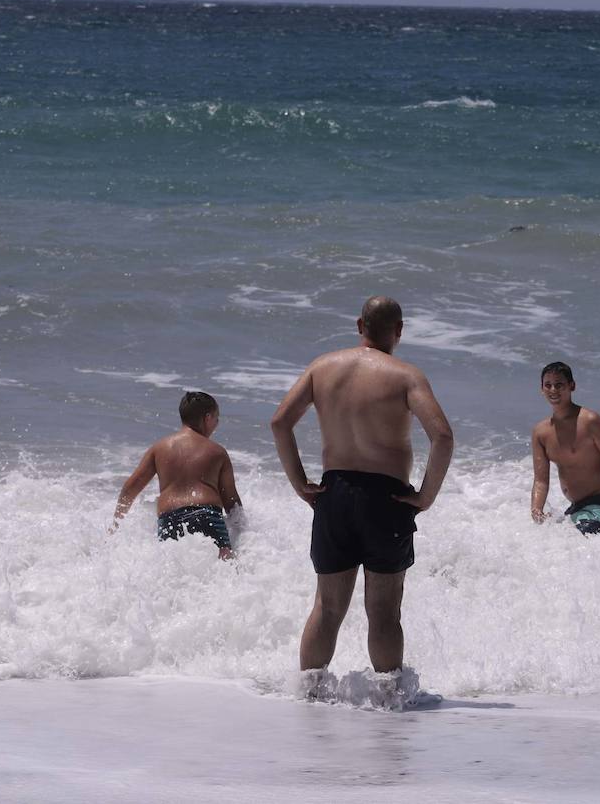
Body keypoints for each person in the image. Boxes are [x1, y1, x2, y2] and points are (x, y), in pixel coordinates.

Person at [271, 296, 454, 694]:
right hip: (385, 501)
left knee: (328, 607)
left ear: (359, 324)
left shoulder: (322, 367)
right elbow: (441, 436)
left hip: (333, 495)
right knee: (384, 611)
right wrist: (426, 497)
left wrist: (300, 483)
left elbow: (280, 422)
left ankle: (310, 693)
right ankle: (389, 700)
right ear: (399, 331)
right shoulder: (406, 376)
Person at [112, 391, 242, 560]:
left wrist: (116, 524)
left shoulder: (159, 448)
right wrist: (243, 534)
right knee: (224, 573)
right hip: (208, 517)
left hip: (170, 519)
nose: (217, 423)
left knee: (172, 575)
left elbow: (130, 488)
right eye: (217, 418)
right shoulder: (217, 451)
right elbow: (231, 501)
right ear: (208, 418)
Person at [530, 361, 600, 542]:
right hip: (577, 509)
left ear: (572, 386)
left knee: (576, 546)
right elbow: (540, 481)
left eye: (559, 384)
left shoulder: (590, 422)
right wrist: (536, 510)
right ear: (541, 389)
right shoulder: (540, 432)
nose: (553, 390)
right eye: (548, 385)